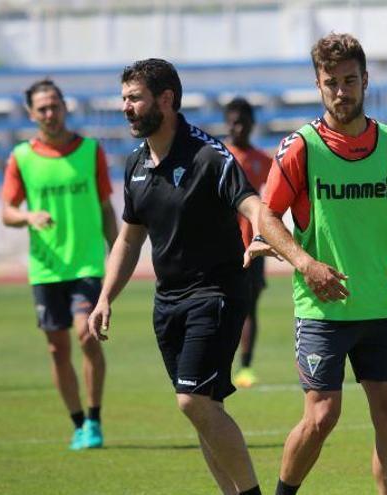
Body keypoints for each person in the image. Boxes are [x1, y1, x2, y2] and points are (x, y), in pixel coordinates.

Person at [88, 58, 275, 495]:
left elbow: (251, 205)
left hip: (216, 292)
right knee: (203, 408)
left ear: (166, 100)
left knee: (192, 400)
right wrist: (104, 298)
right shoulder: (136, 163)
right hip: (167, 301)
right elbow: (130, 241)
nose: (126, 108)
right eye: (124, 99)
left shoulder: (210, 156)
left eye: (134, 98)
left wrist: (281, 243)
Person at [259, 33, 387, 495]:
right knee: (321, 415)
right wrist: (304, 261)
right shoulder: (300, 147)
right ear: (318, 85)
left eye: (349, 80)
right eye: (331, 82)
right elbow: (265, 214)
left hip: (381, 304)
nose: (341, 91)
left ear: (366, 80)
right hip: (323, 309)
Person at [1, 79, 117, 450]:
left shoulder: (90, 151)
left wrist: (117, 251)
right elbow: (6, 211)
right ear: (31, 114)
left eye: (55, 105)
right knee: (56, 349)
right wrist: (28, 217)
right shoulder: (21, 157)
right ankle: (78, 423)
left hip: (86, 264)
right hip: (46, 267)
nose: (50, 113)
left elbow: (105, 207)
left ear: (65, 106)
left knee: (86, 333)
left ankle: (95, 418)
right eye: (42, 108)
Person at [223, 97, 273, 389]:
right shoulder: (219, 157)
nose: (238, 126)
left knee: (249, 307)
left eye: (243, 121)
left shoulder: (263, 161)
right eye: (233, 121)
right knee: (222, 306)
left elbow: (274, 202)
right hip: (222, 246)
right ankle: (220, 362)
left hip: (254, 246)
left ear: (252, 124)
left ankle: (246, 367)